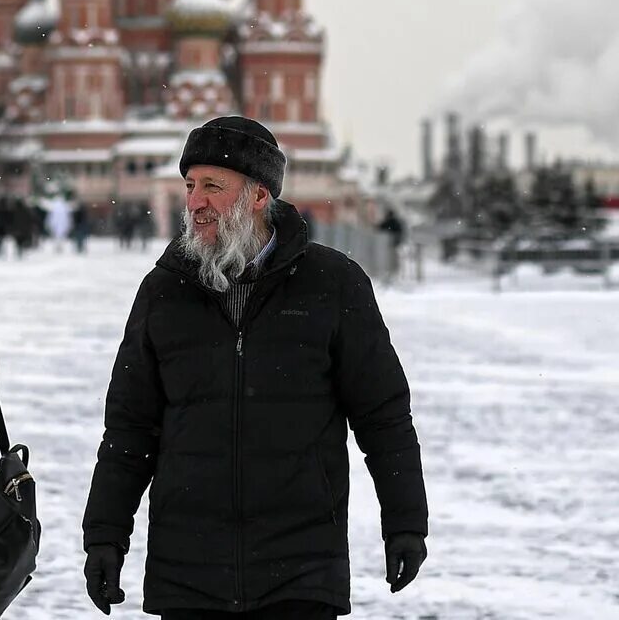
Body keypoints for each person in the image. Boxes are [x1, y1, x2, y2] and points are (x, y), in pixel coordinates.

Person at [82, 115, 428, 619]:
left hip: (301, 571)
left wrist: (405, 522)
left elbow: (384, 416)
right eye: (190, 185)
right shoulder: (163, 290)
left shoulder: (332, 284)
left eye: (212, 187)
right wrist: (106, 536)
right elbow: (130, 429)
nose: (195, 201)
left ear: (259, 196)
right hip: (188, 572)